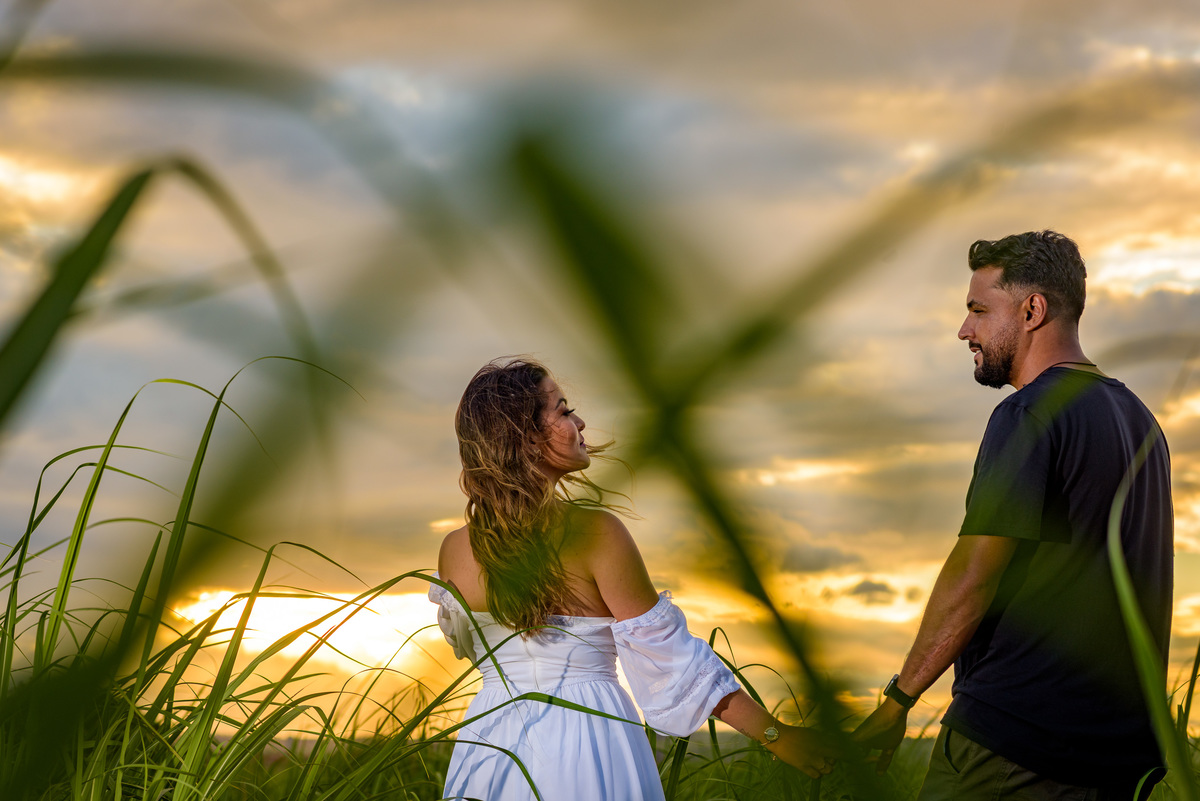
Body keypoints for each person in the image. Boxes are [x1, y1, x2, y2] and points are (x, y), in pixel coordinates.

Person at [853, 231, 1173, 799]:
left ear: (1032, 311)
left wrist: (898, 700)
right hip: (1116, 760)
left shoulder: (1028, 412)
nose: (964, 330)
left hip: (1013, 746)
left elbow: (974, 574)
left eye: (978, 310)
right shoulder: (1141, 422)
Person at [429, 358, 837, 801]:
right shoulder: (596, 533)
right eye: (564, 411)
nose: (580, 423)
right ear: (524, 436)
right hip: (588, 735)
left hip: (490, 742)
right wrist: (777, 736)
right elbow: (674, 663)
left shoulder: (454, 550)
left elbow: (475, 649)